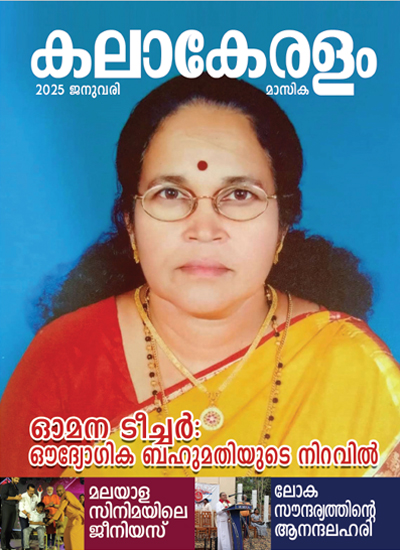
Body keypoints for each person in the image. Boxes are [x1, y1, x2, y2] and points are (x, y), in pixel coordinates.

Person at [1, 74, 400, 477]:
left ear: (282, 226)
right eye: (171, 194)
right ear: (131, 224)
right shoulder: (64, 359)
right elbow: (20, 516)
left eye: (240, 195)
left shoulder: (351, 368)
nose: (204, 229)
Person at [47, 485, 84, 550]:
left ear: (64, 490)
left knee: (73, 534)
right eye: (57, 491)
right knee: (66, 534)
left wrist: (53, 519)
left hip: (78, 518)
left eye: (60, 490)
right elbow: (61, 507)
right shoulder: (63, 499)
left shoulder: (66, 494)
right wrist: (53, 515)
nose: (59, 492)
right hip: (71, 519)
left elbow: (61, 508)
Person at [0, 478, 21, 550]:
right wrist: (15, 497)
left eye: (18, 480)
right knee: (5, 527)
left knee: (10, 528)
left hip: (13, 508)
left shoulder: (16, 488)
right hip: (6, 508)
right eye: (16, 479)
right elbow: (3, 496)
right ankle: (3, 546)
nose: (17, 481)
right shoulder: (6, 486)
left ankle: (8, 545)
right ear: (12, 477)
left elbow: (15, 500)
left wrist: (18, 499)